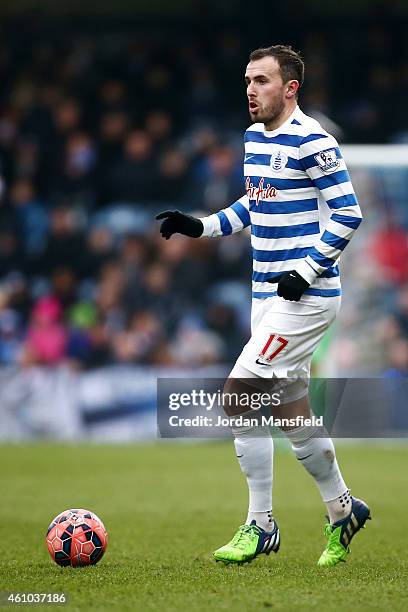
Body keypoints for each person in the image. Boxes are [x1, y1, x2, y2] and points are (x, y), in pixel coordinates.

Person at [156, 45, 370, 568]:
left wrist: (308, 269)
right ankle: (344, 510)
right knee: (291, 413)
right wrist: (200, 226)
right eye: (248, 80)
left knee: (238, 397)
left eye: (262, 81)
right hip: (266, 298)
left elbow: (348, 213)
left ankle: (261, 524)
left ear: (290, 87)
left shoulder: (314, 140)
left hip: (306, 298)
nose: (250, 90)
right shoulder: (254, 138)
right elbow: (255, 204)